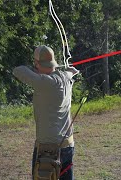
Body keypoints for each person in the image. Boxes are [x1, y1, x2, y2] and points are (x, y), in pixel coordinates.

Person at [13, 45, 79, 180]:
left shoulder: (45, 82)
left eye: (35, 63)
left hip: (48, 150)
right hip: (68, 145)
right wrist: (70, 71)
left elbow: (18, 70)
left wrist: (35, 68)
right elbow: (70, 72)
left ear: (37, 63)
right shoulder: (66, 77)